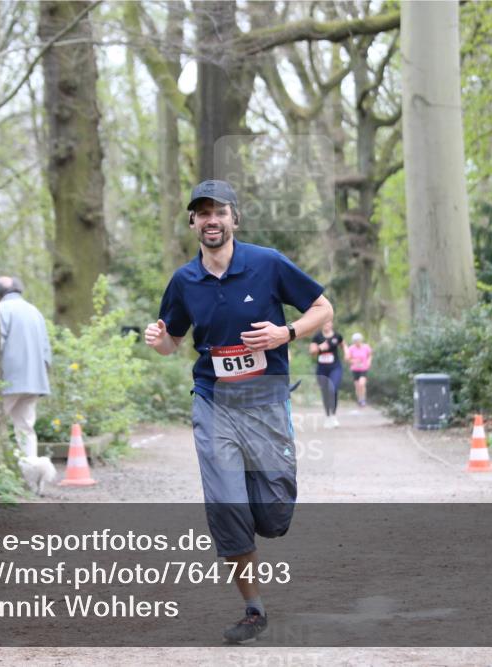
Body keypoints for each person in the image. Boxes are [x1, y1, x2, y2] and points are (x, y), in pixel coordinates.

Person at [145, 179, 333, 644]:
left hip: (265, 401)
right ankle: (254, 608)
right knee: (227, 507)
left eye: (220, 212)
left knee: (273, 517)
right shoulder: (184, 281)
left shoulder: (267, 263)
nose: (212, 220)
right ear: (193, 222)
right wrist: (160, 341)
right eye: (203, 213)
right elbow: (172, 342)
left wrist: (286, 334)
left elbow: (323, 309)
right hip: (214, 402)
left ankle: (253, 497)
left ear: (234, 219)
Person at [0, 276, 52, 459]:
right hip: (34, 380)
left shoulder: (2, 309)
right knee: (25, 427)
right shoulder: (34, 311)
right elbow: (46, 349)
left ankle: (0, 465)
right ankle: (31, 467)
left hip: (9, 379)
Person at [309, 319, 346, 428]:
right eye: (324, 323)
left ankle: (333, 416)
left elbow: (343, 345)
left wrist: (347, 353)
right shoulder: (317, 337)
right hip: (322, 369)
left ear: (331, 324)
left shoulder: (337, 336)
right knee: (325, 392)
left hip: (335, 367)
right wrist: (319, 348)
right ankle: (328, 416)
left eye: (328, 323)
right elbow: (311, 351)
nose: (326, 325)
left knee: (332, 388)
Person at [346, 332, 372, 407]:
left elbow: (370, 355)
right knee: (357, 386)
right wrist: (353, 361)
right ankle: (359, 399)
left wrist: (369, 361)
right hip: (355, 369)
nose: (357, 342)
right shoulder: (351, 348)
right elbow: (348, 359)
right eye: (355, 341)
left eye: (358, 340)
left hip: (364, 368)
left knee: (362, 384)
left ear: (361, 340)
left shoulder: (366, 347)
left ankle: (363, 399)